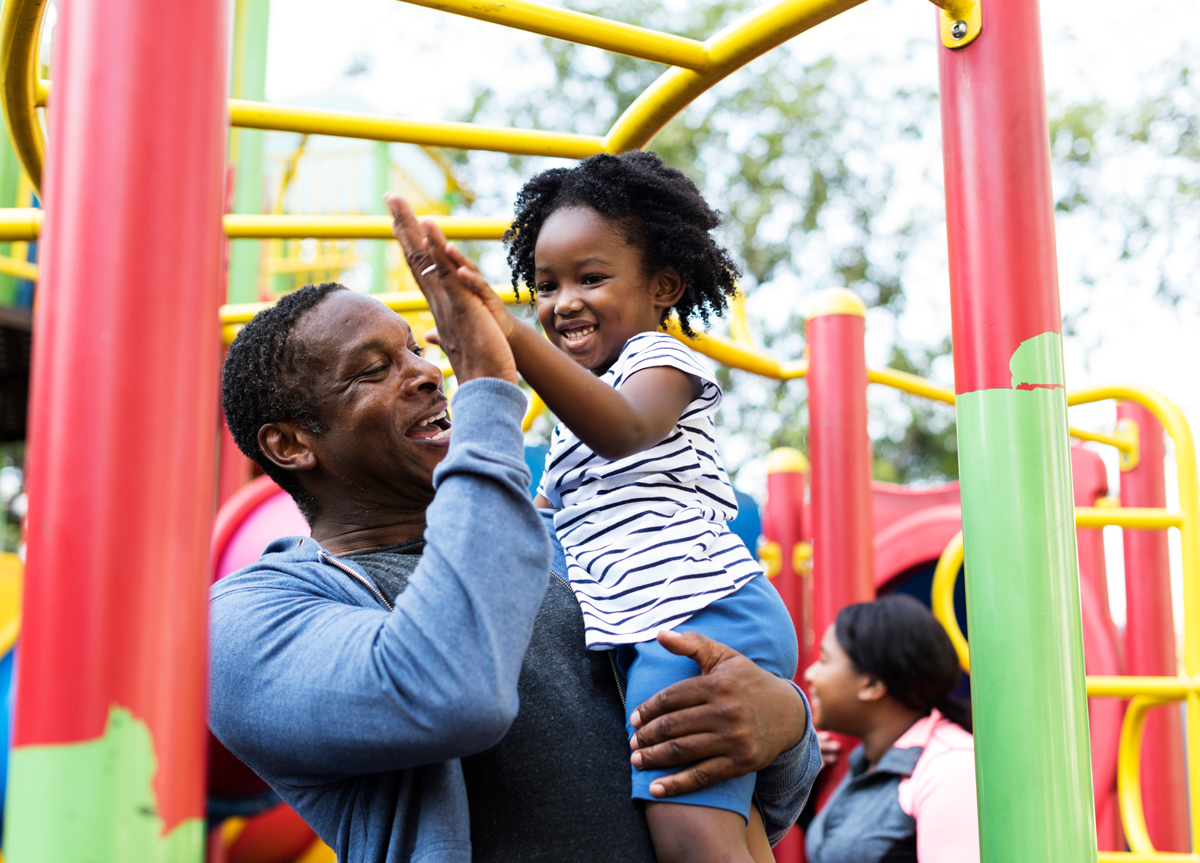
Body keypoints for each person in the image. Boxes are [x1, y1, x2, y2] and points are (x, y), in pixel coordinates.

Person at [208, 197, 821, 863]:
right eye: (374, 370)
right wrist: (490, 389)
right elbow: (452, 691)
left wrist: (783, 726)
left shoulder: (567, 542)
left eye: (416, 349)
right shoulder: (249, 621)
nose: (425, 372)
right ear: (292, 443)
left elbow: (743, 797)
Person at [421, 150, 798, 863]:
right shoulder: (570, 424)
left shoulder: (660, 363)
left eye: (591, 278)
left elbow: (621, 430)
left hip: (699, 614)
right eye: (545, 285)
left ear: (663, 285)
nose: (563, 301)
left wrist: (515, 341)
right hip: (652, 626)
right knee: (729, 820)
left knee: (686, 832)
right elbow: (534, 522)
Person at [803, 595, 979, 863]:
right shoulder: (868, 759)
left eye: (824, 661)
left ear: (872, 684)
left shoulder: (950, 766)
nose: (810, 674)